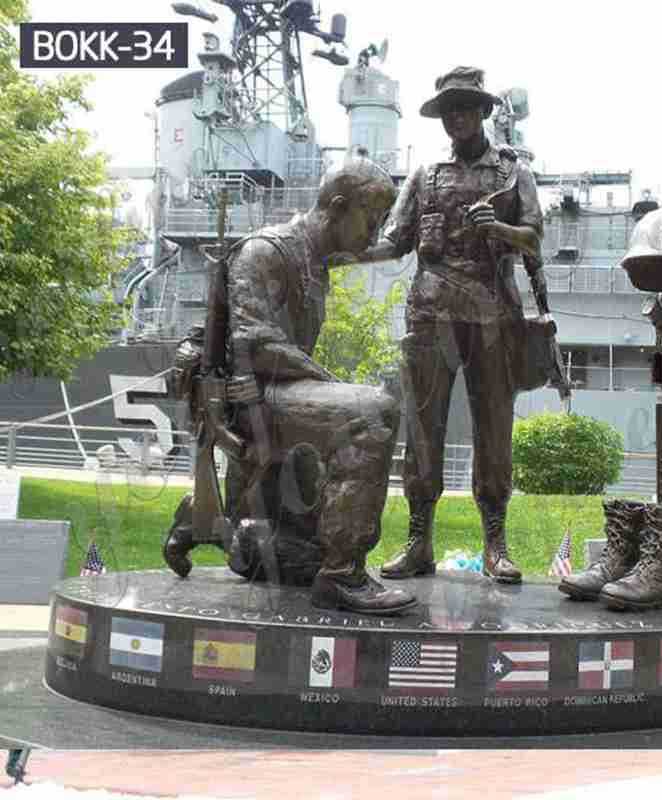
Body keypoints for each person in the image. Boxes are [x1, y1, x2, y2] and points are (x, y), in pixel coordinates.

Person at [163, 158, 416, 615]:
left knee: (292, 556)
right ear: (338, 207)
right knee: (372, 411)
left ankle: (208, 527)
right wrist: (329, 383)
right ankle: (343, 576)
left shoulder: (311, 260)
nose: (375, 233)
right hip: (254, 399)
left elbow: (384, 250)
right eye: (372, 218)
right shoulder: (269, 251)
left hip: (280, 395)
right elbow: (254, 343)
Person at [360, 67, 545, 583]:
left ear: (484, 111)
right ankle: (419, 541)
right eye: (448, 110)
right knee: (422, 428)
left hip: (491, 314)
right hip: (430, 313)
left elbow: (534, 240)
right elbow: (395, 240)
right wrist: (336, 253)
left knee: (494, 428)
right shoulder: (426, 174)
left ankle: (496, 544)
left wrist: (501, 228)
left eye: (465, 107)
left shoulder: (513, 173)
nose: (456, 117)